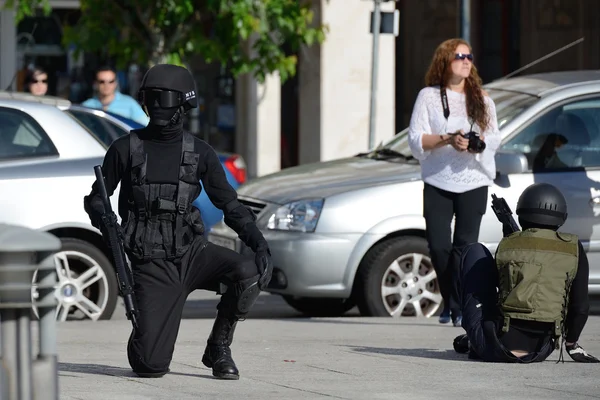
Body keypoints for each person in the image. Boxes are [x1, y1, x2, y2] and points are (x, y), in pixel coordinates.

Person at [83, 64, 274, 379]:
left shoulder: (199, 152)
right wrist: (106, 221)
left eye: (164, 99)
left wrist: (259, 243)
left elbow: (229, 203)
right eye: (152, 99)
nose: (157, 107)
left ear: (184, 103)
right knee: (150, 365)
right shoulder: (125, 149)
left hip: (193, 253)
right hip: (151, 264)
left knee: (248, 270)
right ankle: (148, 333)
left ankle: (218, 347)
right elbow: (96, 198)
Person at [407, 38, 502, 326]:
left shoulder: (482, 99)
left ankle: (458, 305)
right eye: (459, 56)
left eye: (470, 56)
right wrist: (449, 138)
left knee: (464, 245)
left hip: (473, 179)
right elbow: (415, 139)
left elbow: (495, 137)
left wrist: (477, 144)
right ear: (444, 61)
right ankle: (451, 298)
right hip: (438, 178)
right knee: (438, 245)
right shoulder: (428, 96)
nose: (466, 61)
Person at [452, 183, 599, 363]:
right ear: (563, 217)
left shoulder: (509, 244)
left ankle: (475, 339)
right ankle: (475, 339)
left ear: (521, 213)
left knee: (474, 251)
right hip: (540, 350)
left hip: (495, 346)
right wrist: (571, 344)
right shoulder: (574, 248)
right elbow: (581, 308)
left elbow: (494, 293)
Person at [82, 66, 149, 126]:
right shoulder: (86, 106)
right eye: (102, 82)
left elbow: (145, 125)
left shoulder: (129, 104)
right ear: (95, 83)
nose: (106, 85)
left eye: (111, 81)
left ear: (116, 83)